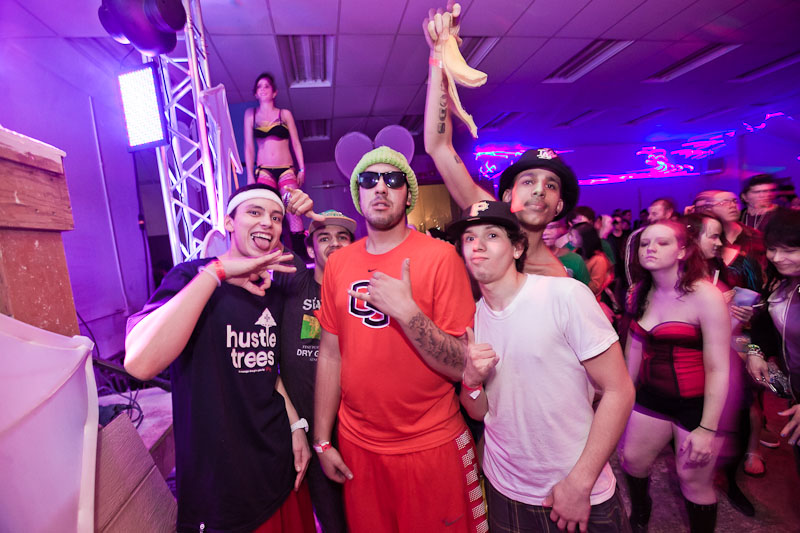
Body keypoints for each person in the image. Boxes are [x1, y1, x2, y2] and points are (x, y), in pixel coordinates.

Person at [124, 184, 323, 532]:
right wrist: (216, 273)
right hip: (220, 484)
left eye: (276, 217)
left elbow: (268, 370)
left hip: (278, 468)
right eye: (254, 212)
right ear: (229, 222)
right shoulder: (191, 276)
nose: (267, 222)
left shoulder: (271, 291)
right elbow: (140, 363)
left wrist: (296, 428)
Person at [313, 146, 487, 532]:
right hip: (359, 447)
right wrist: (322, 441)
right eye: (368, 180)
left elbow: (460, 364)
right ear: (358, 194)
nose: (380, 188)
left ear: (408, 196)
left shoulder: (441, 258)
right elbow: (329, 355)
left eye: (392, 180)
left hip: (430, 444)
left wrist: (409, 314)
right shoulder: (338, 264)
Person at [447, 200, 635, 533]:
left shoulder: (564, 296)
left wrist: (580, 483)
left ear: (518, 248)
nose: (477, 245)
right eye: (469, 238)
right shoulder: (473, 318)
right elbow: (480, 411)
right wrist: (471, 380)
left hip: (575, 487)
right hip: (505, 487)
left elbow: (619, 391)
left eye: (492, 235)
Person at [422, 6, 578, 279]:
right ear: (507, 197)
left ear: (559, 206)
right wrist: (440, 58)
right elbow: (439, 147)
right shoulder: (490, 220)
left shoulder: (560, 280)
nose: (539, 191)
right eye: (528, 181)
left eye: (551, 185)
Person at [620, 221, 730, 532]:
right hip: (652, 395)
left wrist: (707, 428)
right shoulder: (639, 291)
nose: (650, 248)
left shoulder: (705, 295)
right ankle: (640, 513)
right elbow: (634, 349)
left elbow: (719, 367)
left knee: (692, 480)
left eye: (662, 243)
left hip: (698, 403)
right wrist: (623, 398)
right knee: (632, 460)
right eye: (644, 244)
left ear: (682, 251)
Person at [279, 209, 356, 533]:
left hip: (354, 432)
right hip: (307, 430)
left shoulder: (361, 296)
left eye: (342, 237)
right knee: (331, 520)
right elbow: (265, 239)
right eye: (324, 238)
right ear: (310, 249)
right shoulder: (297, 282)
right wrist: (290, 208)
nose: (334, 244)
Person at [747, 208, 800, 474]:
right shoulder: (784, 281)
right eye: (772, 249)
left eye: (789, 250)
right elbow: (765, 326)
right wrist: (755, 351)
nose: (777, 257)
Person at [244, 72, 308, 254]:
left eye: (267, 86)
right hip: (264, 170)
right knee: (268, 211)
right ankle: (273, 254)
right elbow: (249, 147)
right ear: (255, 93)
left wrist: (302, 168)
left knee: (293, 210)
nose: (263, 89)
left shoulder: (284, 114)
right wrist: (249, 175)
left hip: (286, 169)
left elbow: (296, 142)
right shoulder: (251, 115)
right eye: (259, 87)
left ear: (274, 92)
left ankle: (300, 256)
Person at [542, 218, 591, 286]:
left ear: (562, 229)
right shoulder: (527, 258)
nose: (545, 232)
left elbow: (585, 289)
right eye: (539, 227)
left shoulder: (574, 259)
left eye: (551, 227)